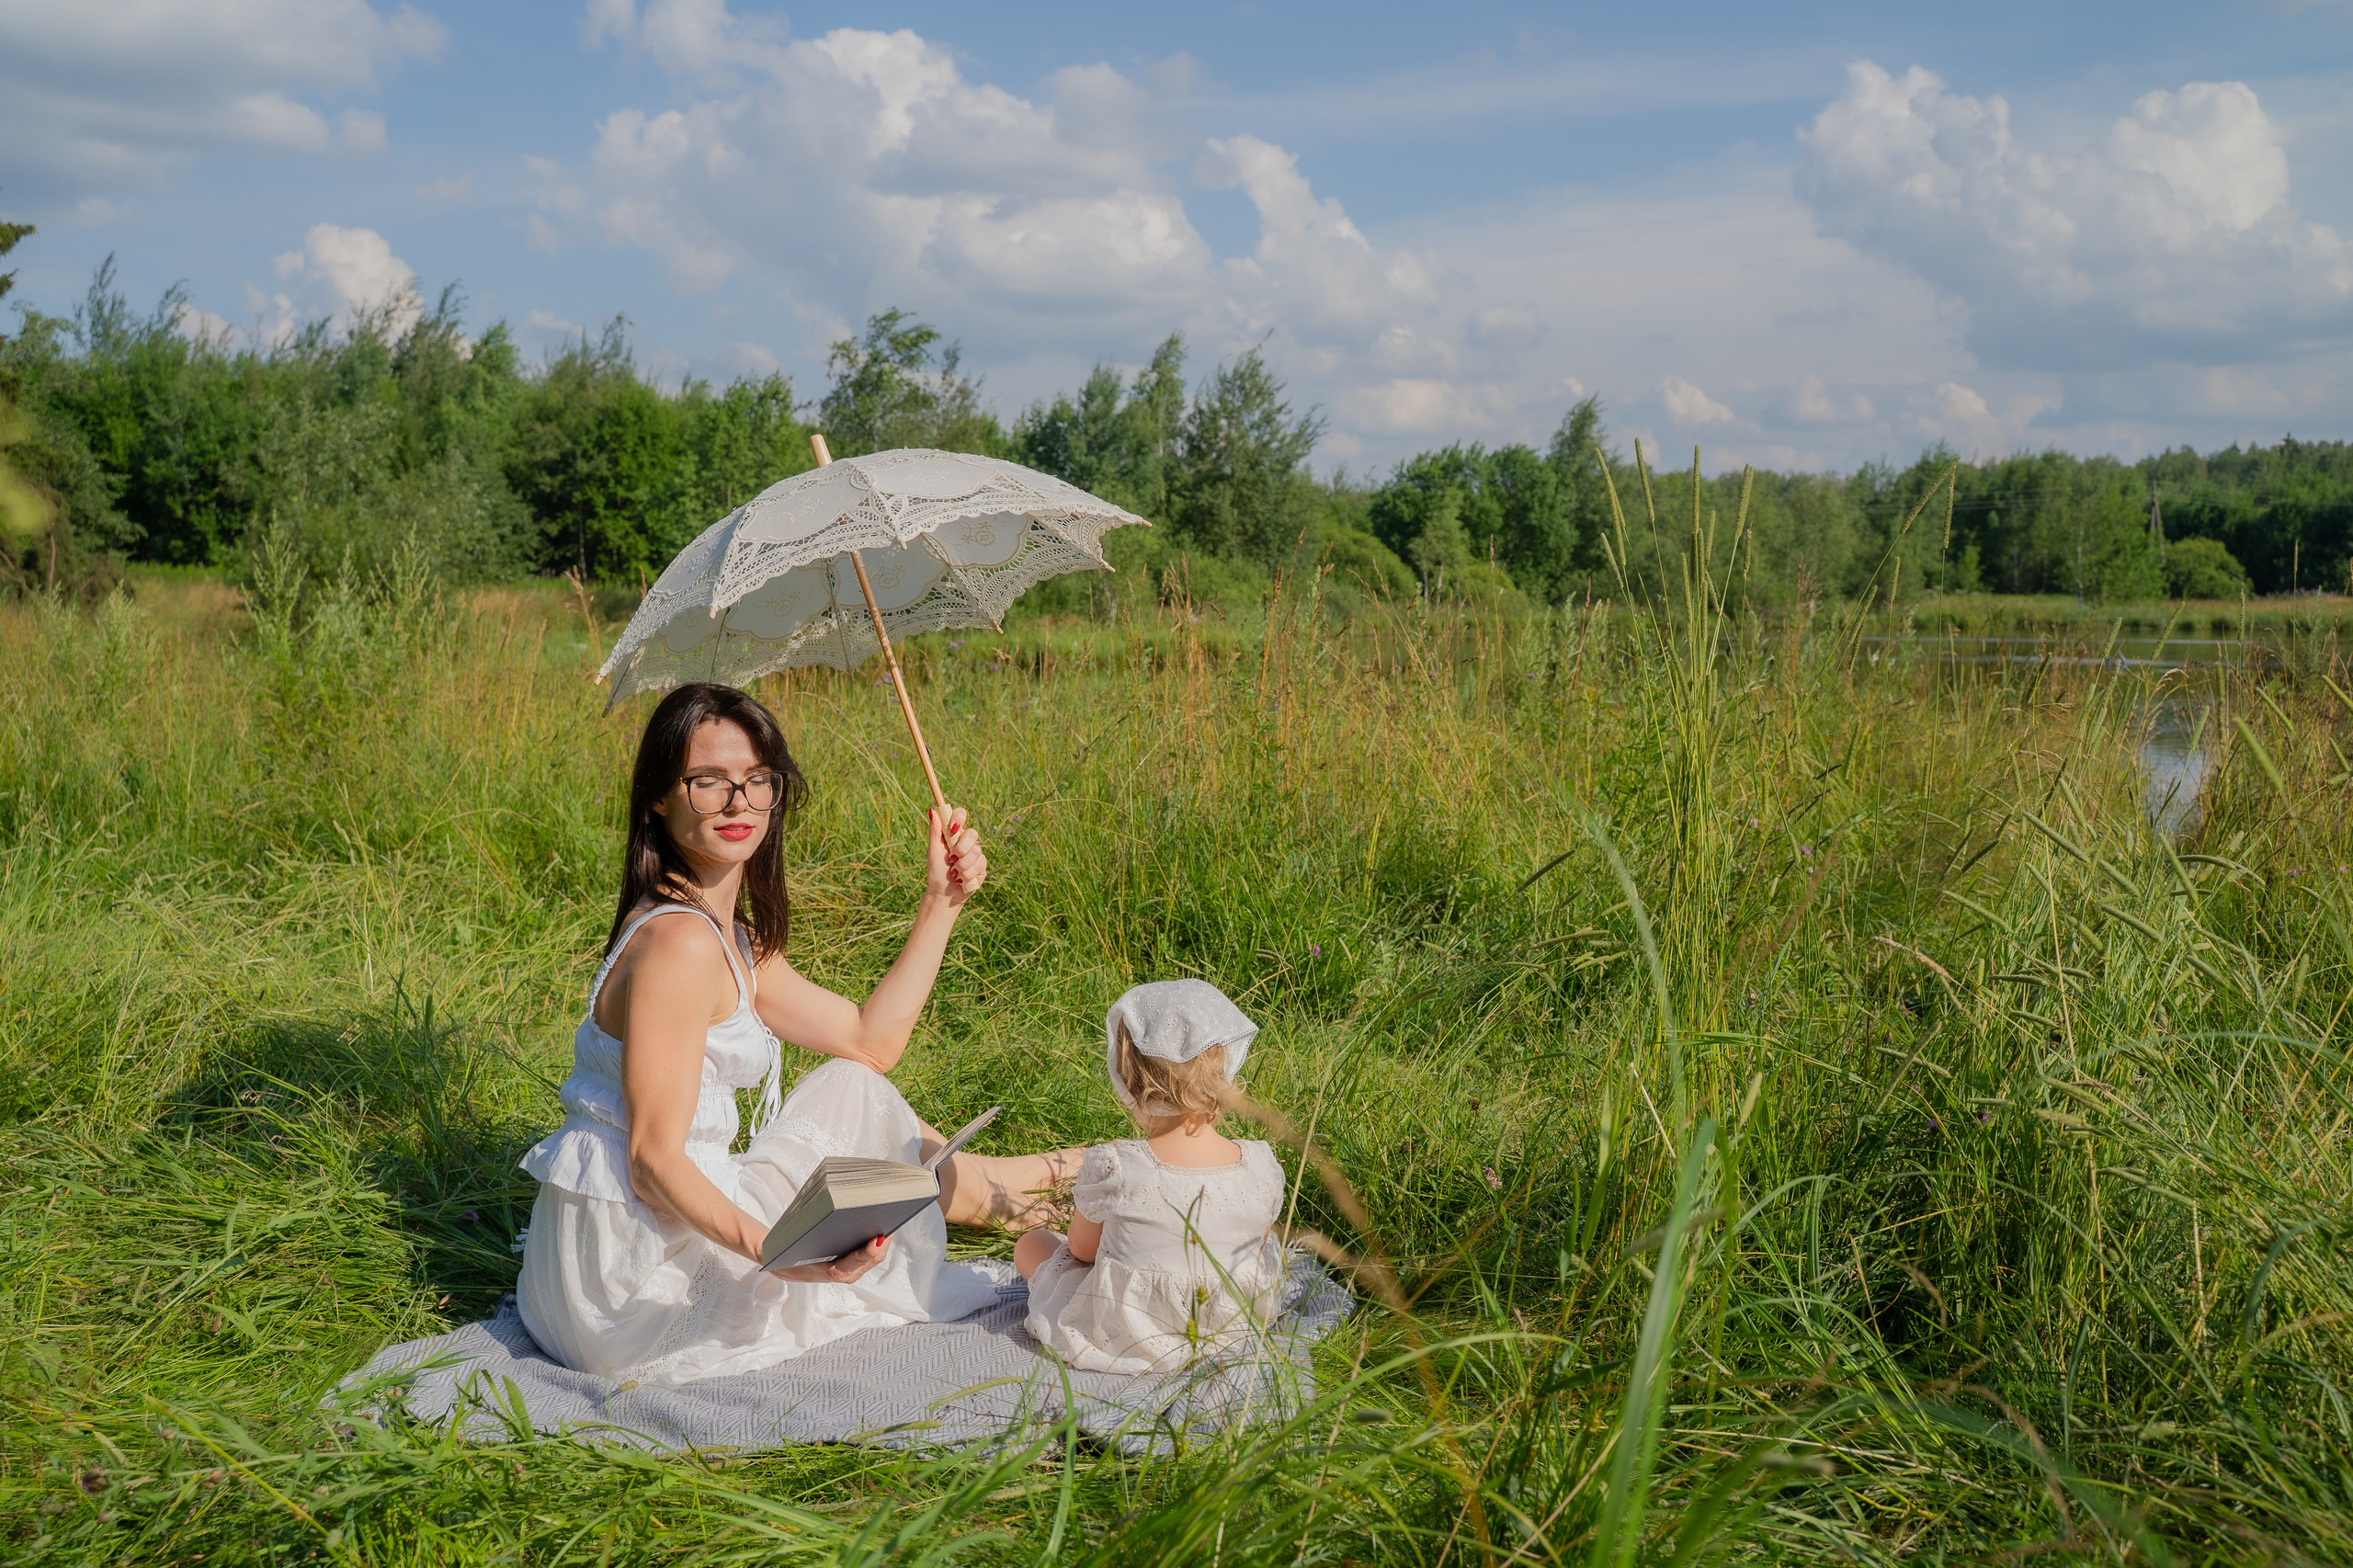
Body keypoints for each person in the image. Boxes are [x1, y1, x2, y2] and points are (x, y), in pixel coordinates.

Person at [517, 681, 1081, 1384]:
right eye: (708, 782)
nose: (738, 804)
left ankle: (1021, 1188)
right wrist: (782, 1254)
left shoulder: (726, 936)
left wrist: (941, 902)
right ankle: (1027, 1189)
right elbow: (652, 1164)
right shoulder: (678, 946)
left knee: (853, 1083)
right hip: (633, 1294)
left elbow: (869, 1042)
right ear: (658, 798)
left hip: (618, 1252)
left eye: (758, 781)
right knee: (859, 1125)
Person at [1015, 980, 1289, 1373]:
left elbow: (1082, 1251)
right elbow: (1256, 1248)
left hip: (1133, 1329)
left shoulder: (1116, 1165)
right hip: (1229, 1325)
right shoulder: (1261, 1163)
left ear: (1130, 1082)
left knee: (1033, 1243)